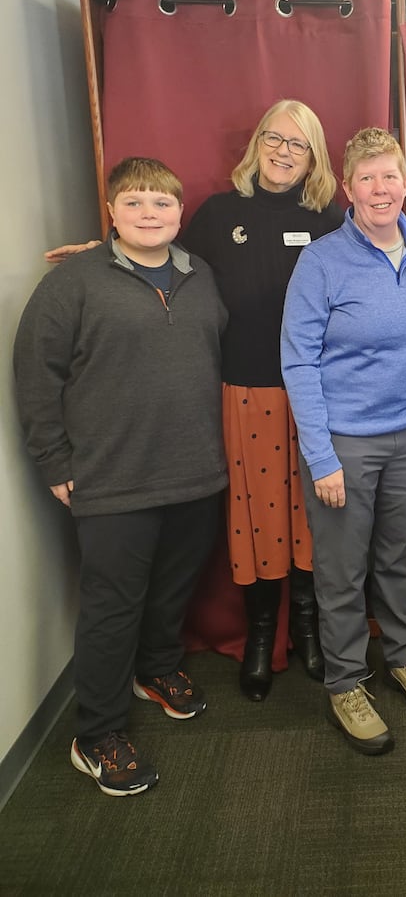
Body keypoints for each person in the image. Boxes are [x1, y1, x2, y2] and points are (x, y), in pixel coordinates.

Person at [46, 100, 344, 703]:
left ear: (314, 156)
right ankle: (263, 636)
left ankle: (310, 631)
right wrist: (99, 256)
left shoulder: (329, 219)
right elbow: (160, 255)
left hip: (318, 394)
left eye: (300, 143)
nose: (285, 151)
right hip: (244, 395)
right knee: (258, 524)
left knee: (314, 519)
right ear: (257, 142)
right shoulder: (218, 213)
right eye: (275, 138)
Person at [14, 157, 228, 797]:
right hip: (111, 479)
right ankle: (96, 734)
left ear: (180, 212)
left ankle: (157, 669)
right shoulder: (72, 282)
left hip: (195, 472)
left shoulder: (200, 275)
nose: (149, 215)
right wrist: (53, 461)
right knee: (111, 609)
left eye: (161, 204)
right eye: (134, 203)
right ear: (111, 212)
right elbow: (35, 376)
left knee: (173, 587)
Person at [280, 127, 406, 756]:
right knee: (342, 572)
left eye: (391, 176)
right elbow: (298, 361)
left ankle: (402, 656)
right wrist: (321, 455)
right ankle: (347, 682)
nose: (381, 189)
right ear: (347, 188)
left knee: (397, 557)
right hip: (344, 443)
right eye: (368, 178)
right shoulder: (321, 260)